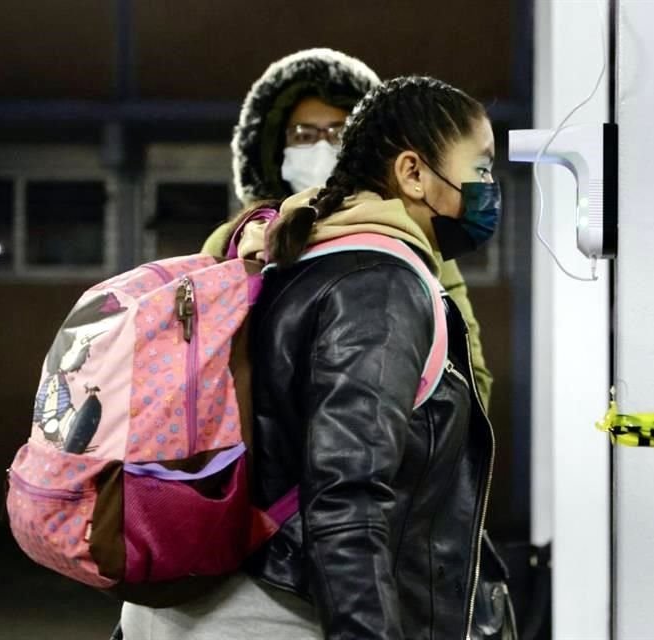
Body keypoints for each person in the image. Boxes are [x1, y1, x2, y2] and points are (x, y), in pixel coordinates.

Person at [120, 75, 513, 639]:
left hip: (184, 604)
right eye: (480, 167)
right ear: (413, 173)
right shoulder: (378, 285)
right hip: (263, 615)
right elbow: (348, 496)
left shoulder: (292, 258)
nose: (488, 185)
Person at [201, 47, 493, 407]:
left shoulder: (410, 242)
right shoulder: (235, 239)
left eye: (338, 133)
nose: (322, 147)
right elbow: (198, 354)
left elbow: (467, 366)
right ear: (276, 148)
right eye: (304, 135)